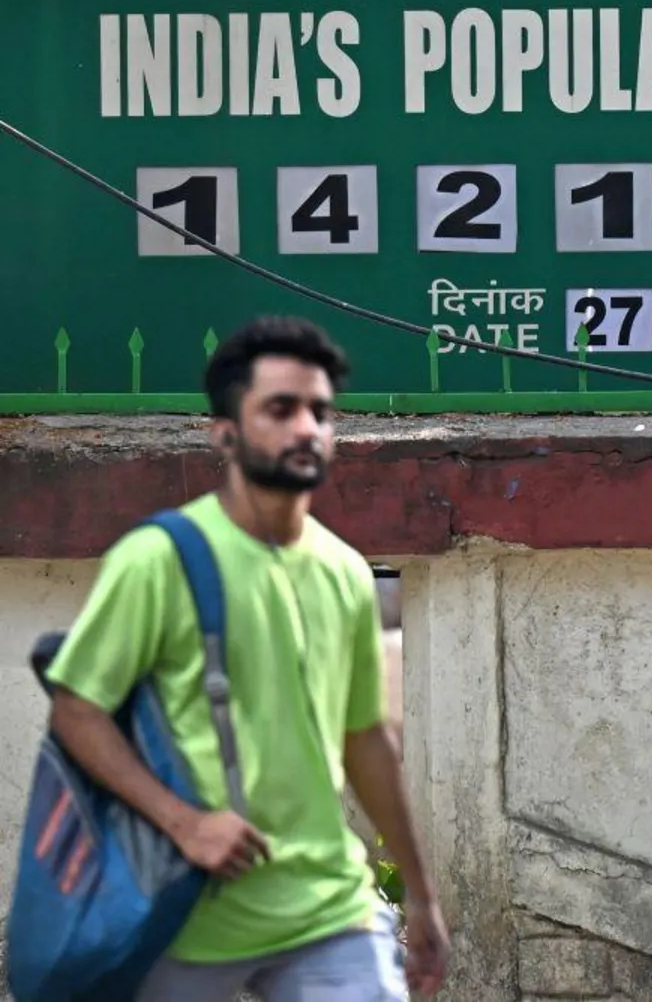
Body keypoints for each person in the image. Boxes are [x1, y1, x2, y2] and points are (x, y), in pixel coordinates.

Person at [42, 316, 451, 1000]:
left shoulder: (345, 571)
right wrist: (186, 824)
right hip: (180, 909)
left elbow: (364, 742)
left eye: (320, 412)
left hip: (325, 908)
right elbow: (77, 709)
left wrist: (422, 893)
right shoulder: (160, 559)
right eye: (280, 409)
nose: (306, 429)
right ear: (225, 434)